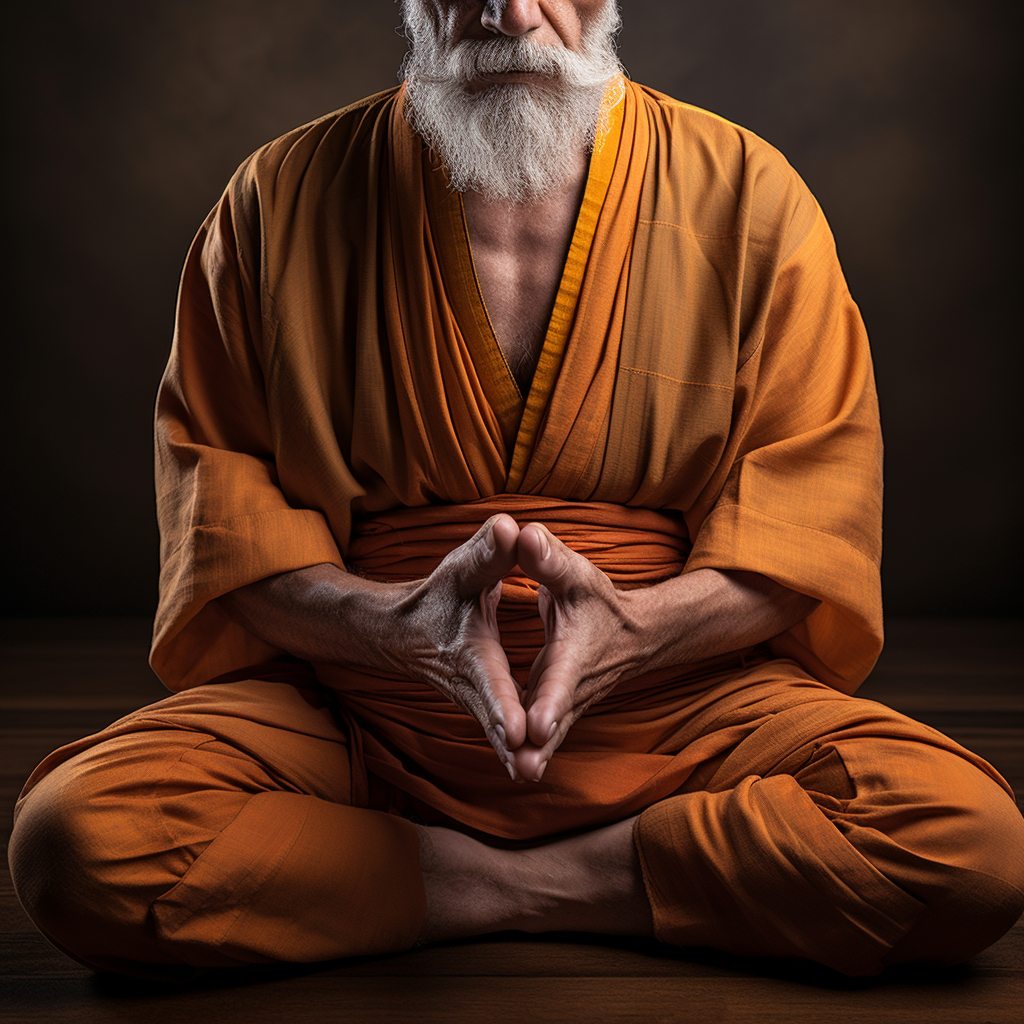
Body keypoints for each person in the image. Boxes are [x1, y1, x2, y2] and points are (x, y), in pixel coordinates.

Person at [10, 0, 1024, 982]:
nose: (509, 11)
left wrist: (640, 627)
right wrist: (390, 627)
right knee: (80, 842)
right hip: (364, 711)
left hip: (674, 705)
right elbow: (223, 521)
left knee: (969, 845)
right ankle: (585, 883)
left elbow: (812, 515)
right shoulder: (277, 197)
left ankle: (455, 885)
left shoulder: (750, 195)